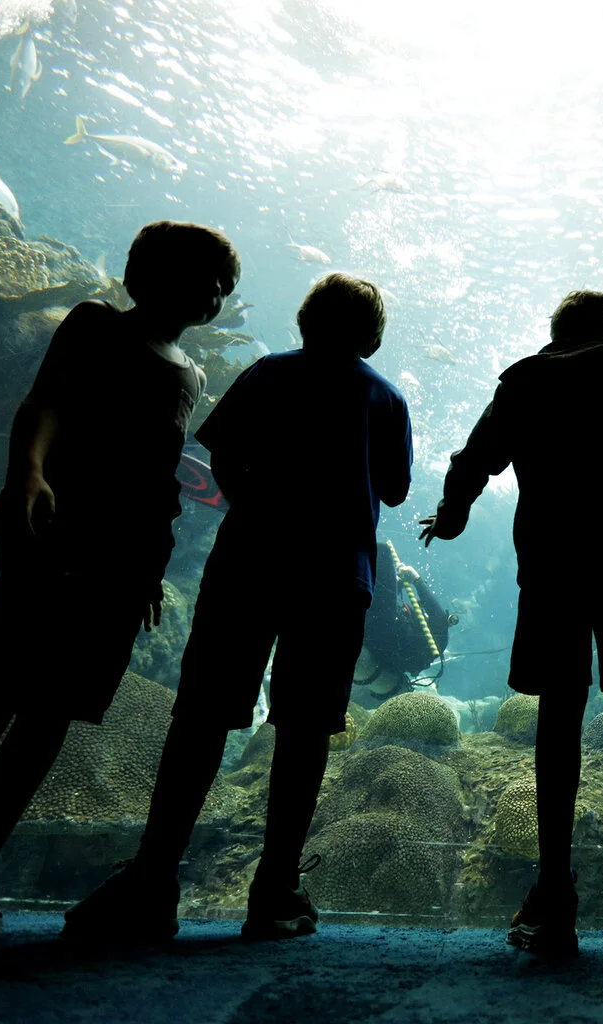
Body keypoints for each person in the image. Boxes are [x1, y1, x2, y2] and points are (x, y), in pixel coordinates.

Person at [63, 272, 413, 943]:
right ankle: (274, 889)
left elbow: (221, 454)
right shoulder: (385, 397)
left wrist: (254, 501)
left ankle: (152, 879)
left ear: (305, 320)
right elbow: (394, 491)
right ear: (373, 336)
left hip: (248, 563)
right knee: (305, 729)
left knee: (200, 717)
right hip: (337, 580)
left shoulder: (267, 374)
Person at [0, 221, 239, 942]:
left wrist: (148, 575)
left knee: (45, 727)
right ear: (154, 277)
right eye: (213, 280)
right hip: (53, 545)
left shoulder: (192, 374)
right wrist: (30, 472)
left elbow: (156, 483)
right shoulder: (95, 323)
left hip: (121, 571)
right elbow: (44, 402)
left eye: (226, 286)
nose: (222, 296)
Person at [421, 289, 603, 958]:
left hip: (553, 569)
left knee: (560, 716)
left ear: (555, 331)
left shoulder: (526, 378)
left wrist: (450, 517)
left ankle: (554, 894)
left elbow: (473, 459)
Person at [354, 550, 454, 704]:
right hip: (377, 637)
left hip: (381, 634)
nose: (424, 612)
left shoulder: (437, 640)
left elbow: (439, 618)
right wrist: (398, 584)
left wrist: (417, 580)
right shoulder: (419, 636)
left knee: (383, 553)